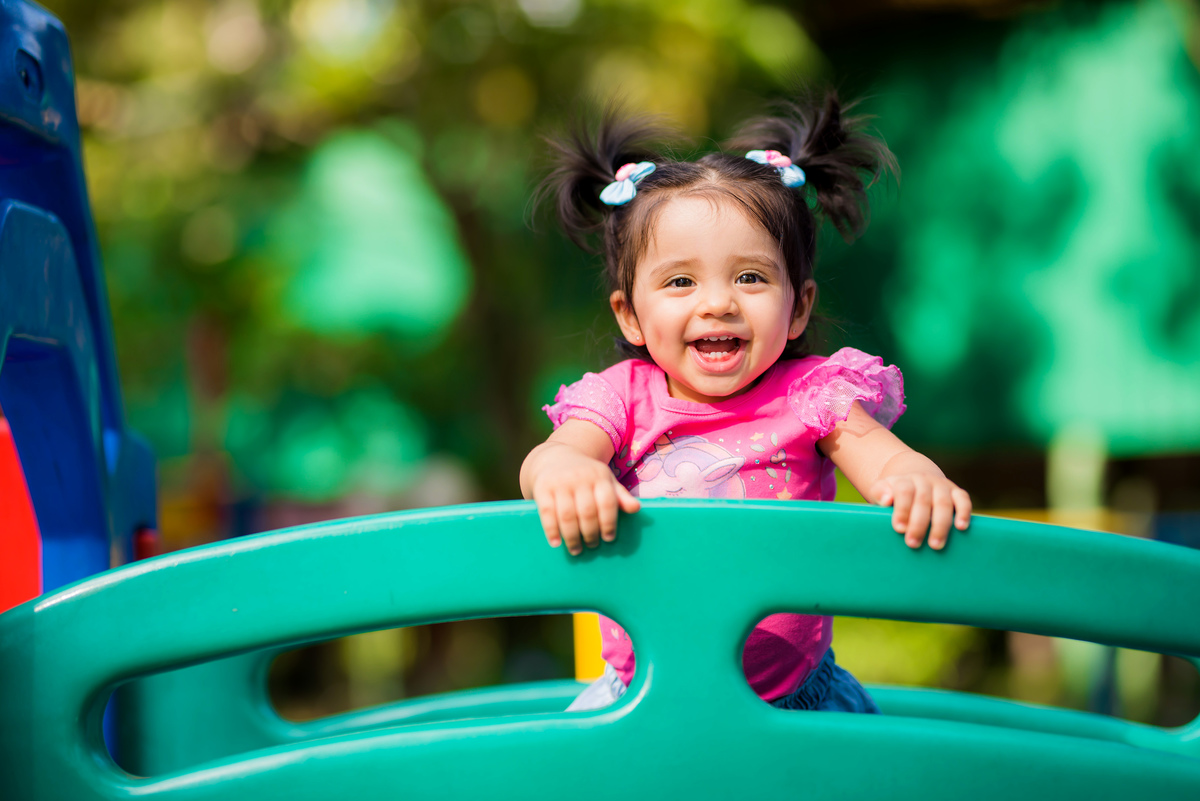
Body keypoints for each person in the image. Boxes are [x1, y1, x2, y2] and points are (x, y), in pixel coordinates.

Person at [519, 91, 972, 713]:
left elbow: (887, 464)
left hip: (794, 703)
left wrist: (916, 480)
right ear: (629, 313)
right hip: (638, 702)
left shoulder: (814, 395)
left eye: (750, 277)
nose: (718, 303)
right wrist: (568, 474)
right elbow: (554, 457)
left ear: (799, 307)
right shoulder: (621, 399)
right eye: (681, 281)